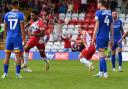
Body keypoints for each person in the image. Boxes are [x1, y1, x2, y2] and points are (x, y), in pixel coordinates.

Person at [2, 0, 26, 78]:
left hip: (9, 37)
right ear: (18, 5)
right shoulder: (21, 15)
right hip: (17, 38)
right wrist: (24, 39)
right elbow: (22, 28)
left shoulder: (7, 15)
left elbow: (5, 27)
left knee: (7, 55)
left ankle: (5, 73)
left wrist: (6, 37)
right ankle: (18, 74)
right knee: (17, 55)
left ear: (12, 5)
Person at [92, 0, 114, 78]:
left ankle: (105, 73)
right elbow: (111, 27)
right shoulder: (109, 13)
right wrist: (112, 38)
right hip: (106, 38)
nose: (97, 4)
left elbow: (96, 26)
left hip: (100, 37)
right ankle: (100, 72)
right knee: (101, 55)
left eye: (98, 3)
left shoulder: (98, 12)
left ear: (101, 3)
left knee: (101, 56)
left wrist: (93, 37)